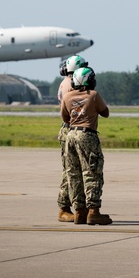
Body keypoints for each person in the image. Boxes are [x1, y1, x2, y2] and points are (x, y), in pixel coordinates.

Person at [60, 66, 111, 225]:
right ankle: (93, 212)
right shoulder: (94, 95)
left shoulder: (67, 97)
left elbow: (65, 117)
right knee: (92, 172)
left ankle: (79, 212)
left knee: (73, 174)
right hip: (87, 135)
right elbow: (105, 112)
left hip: (71, 136)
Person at [56, 55, 88, 222]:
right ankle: (65, 208)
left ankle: (67, 207)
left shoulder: (65, 82)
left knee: (70, 170)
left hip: (68, 128)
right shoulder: (71, 85)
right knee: (72, 172)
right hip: (71, 128)